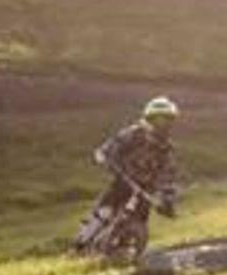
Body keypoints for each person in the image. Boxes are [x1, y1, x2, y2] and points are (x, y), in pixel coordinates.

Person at [74, 96, 180, 248]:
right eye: (158, 119)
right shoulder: (134, 133)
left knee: (140, 221)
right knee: (104, 212)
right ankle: (81, 242)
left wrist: (167, 200)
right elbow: (112, 145)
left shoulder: (167, 148)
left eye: (166, 120)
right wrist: (103, 155)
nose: (162, 124)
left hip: (145, 190)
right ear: (149, 118)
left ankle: (126, 248)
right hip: (124, 181)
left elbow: (168, 175)